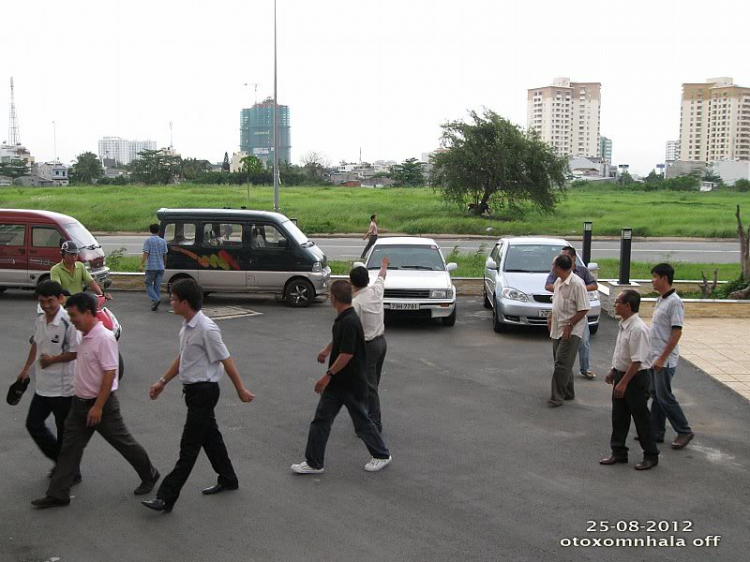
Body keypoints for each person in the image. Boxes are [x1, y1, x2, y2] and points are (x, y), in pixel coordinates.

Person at [31, 293, 159, 509]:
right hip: (79, 404)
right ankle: (58, 494)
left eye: (74, 316)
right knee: (69, 449)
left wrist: (98, 407)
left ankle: (150, 474)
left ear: (88, 313)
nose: (71, 320)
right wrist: (54, 359)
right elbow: (74, 354)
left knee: (124, 443)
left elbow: (111, 373)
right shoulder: (83, 334)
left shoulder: (104, 338)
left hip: (102, 406)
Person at [142, 279, 255, 513]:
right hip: (193, 392)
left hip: (205, 392)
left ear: (185, 302)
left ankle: (166, 496)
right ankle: (228, 478)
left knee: (189, 447)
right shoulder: (187, 325)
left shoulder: (207, 329)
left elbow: (226, 360)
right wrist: (162, 381)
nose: (170, 302)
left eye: (173, 298)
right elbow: (183, 358)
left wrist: (240, 389)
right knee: (210, 438)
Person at [292, 280, 392, 475]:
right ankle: (314, 462)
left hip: (350, 384)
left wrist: (326, 376)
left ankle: (381, 455)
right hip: (339, 384)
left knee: (362, 422)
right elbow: (341, 342)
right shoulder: (344, 318)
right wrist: (327, 350)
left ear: (333, 298)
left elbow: (347, 354)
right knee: (321, 420)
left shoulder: (349, 321)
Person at [16, 280, 81, 483]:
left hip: (64, 389)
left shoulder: (68, 323)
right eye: (42, 301)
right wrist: (26, 368)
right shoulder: (40, 320)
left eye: (50, 301)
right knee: (33, 424)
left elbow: (76, 352)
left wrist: (53, 359)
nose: (46, 306)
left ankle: (70, 472)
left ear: (60, 299)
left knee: (64, 434)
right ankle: (64, 465)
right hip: (43, 387)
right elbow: (36, 344)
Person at [600, 290, 659, 470]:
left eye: (617, 302)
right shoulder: (624, 324)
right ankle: (618, 452)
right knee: (619, 416)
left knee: (641, 418)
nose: (615, 304)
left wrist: (624, 383)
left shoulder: (638, 328)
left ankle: (650, 455)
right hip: (622, 374)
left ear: (627, 305)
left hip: (635, 379)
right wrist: (613, 371)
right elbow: (621, 353)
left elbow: (637, 360)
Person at [648, 263, 694, 450]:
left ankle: (684, 430)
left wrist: (661, 358)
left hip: (664, 359)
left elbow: (676, 333)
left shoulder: (675, 302)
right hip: (655, 356)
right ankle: (656, 432)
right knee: (656, 395)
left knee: (664, 396)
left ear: (664, 279)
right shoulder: (662, 299)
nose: (652, 281)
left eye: (655, 277)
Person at [345, 256, 389, 432]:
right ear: (367, 280)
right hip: (381, 344)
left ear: (351, 283)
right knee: (371, 383)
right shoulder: (376, 291)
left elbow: (351, 329)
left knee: (369, 387)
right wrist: (384, 264)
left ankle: (373, 424)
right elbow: (382, 276)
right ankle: (366, 416)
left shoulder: (356, 303)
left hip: (368, 347)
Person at [545, 246, 598, 379]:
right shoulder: (558, 278)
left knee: (584, 342)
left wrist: (578, 290)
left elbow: (593, 287)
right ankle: (567, 387)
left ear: (573, 258)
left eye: (565, 256)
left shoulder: (580, 276)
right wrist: (551, 316)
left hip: (575, 320)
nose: (563, 258)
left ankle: (585, 368)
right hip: (560, 322)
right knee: (561, 360)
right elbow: (548, 286)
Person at [547, 254, 590, 407]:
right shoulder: (559, 282)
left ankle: (556, 397)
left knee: (561, 364)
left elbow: (584, 308)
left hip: (570, 330)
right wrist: (551, 317)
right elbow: (556, 303)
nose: (551, 268)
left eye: (553, 265)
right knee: (564, 362)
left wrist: (570, 324)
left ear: (558, 268)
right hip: (557, 328)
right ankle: (568, 392)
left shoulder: (578, 284)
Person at [138, 223, 169, 311]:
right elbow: (165, 255)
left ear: (150, 230)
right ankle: (156, 303)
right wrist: (164, 264)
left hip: (151, 267)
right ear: (158, 230)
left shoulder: (148, 241)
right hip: (160, 267)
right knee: (157, 286)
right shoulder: (163, 241)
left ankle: (156, 300)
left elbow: (145, 253)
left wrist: (141, 264)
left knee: (148, 283)